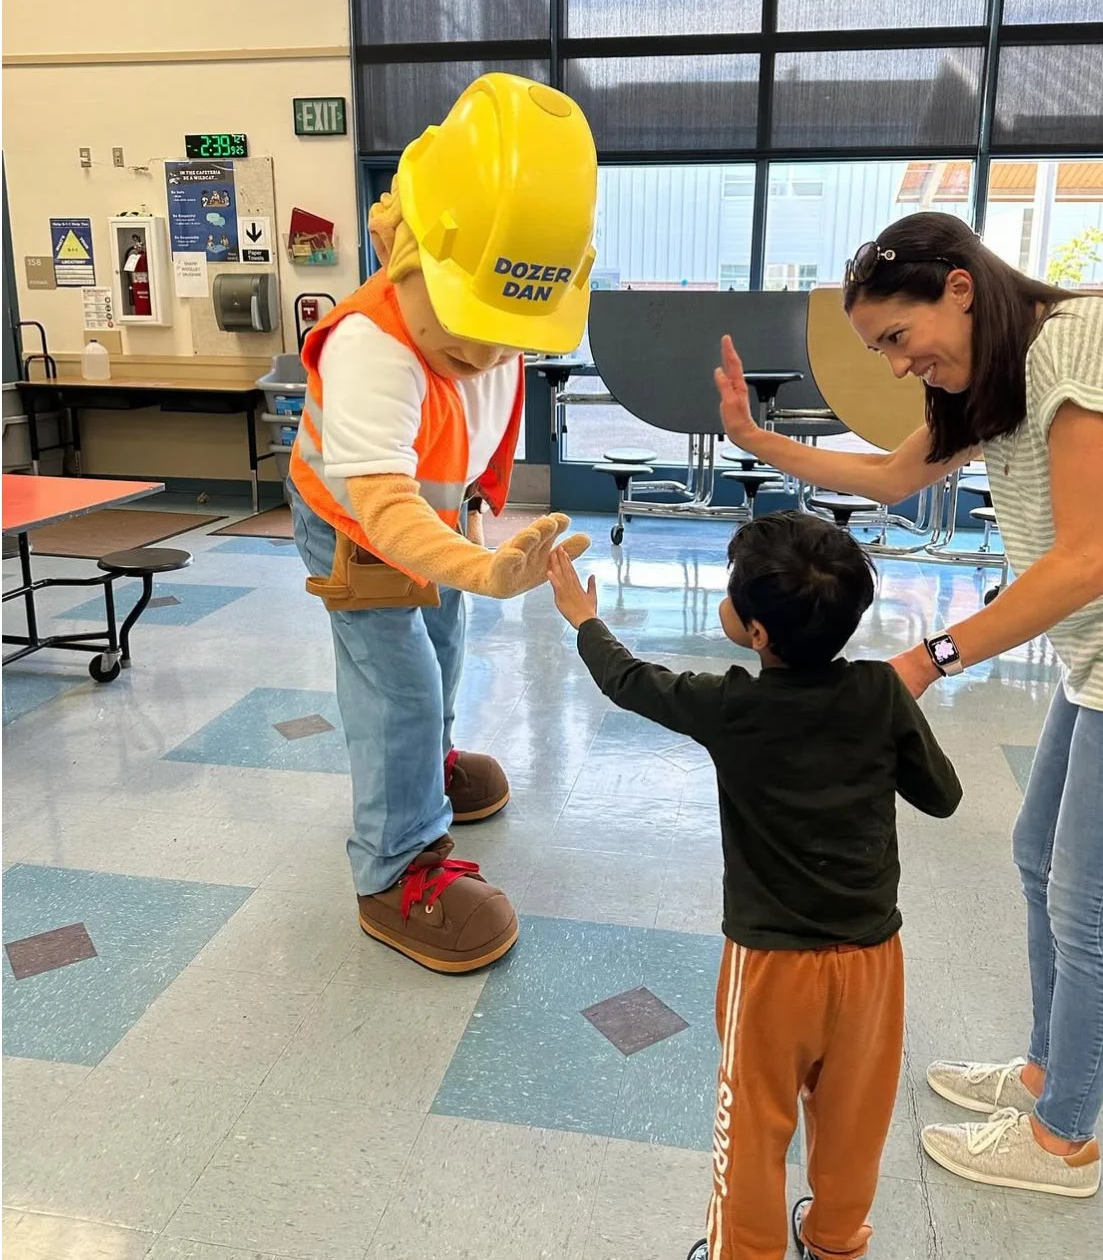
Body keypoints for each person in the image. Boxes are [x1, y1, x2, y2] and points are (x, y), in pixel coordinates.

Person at [715, 211, 1103, 1198]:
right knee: (1036, 857)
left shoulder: (1075, 343)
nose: (895, 363)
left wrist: (935, 655)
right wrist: (758, 441)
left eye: (896, 336)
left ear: (958, 286)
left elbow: (1088, 559)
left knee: (1090, 904)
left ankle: (1064, 1142)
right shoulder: (997, 377)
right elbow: (890, 474)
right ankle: (1050, 1069)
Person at [547, 512, 962, 1260]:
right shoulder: (878, 692)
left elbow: (629, 681)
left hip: (770, 968)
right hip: (871, 962)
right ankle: (835, 1238)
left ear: (759, 634)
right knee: (852, 1118)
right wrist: (880, 728)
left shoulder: (730, 705)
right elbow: (940, 796)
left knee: (752, 1126)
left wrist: (584, 618)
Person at [288, 73, 598, 974]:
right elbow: (382, 505)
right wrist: (482, 566)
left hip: (434, 517)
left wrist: (476, 517)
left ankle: (426, 765)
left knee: (445, 651)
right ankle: (392, 870)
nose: (487, 353)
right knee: (400, 687)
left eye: (513, 332)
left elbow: (482, 415)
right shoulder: (369, 346)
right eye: (468, 329)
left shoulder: (490, 318)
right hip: (357, 525)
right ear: (411, 252)